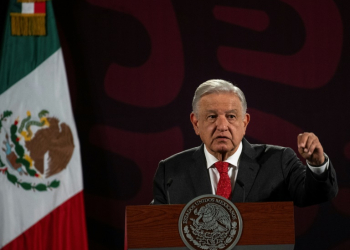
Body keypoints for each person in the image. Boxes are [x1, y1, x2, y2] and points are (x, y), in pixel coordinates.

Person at [152, 79, 338, 207]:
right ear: (196, 123)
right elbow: (154, 230)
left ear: (245, 122)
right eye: (212, 116)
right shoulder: (171, 171)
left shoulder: (277, 161)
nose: (222, 126)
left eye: (231, 116)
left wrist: (317, 165)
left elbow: (317, 195)